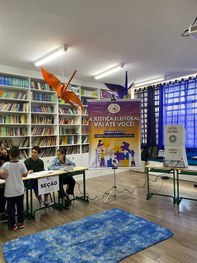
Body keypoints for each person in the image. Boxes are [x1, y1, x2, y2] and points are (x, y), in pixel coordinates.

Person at [0, 146, 28, 231]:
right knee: (20, 207)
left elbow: (2, 176)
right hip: (19, 190)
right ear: (19, 154)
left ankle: (12, 225)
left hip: (10, 191)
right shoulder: (21, 163)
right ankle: (21, 222)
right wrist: (19, 175)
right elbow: (25, 174)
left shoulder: (5, 165)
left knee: (11, 209)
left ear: (9, 154)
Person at [0, 141, 10, 223]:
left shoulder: (5, 154)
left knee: (7, 191)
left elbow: (9, 164)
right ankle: (1, 212)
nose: (4, 150)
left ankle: (3, 210)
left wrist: (5, 155)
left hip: (5, 178)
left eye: (3, 148)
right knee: (1, 193)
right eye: (1, 148)